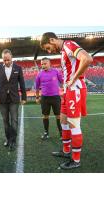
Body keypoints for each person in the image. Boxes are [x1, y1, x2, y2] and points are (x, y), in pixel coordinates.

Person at [40, 32, 93, 169]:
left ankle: (76, 160)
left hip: (75, 89)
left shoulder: (69, 45)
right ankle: (66, 151)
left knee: (74, 124)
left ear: (52, 40)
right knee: (63, 120)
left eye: (48, 47)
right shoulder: (64, 50)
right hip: (67, 91)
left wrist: (74, 79)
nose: (49, 51)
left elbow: (87, 59)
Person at [0, 49, 26, 151]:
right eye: (4, 60)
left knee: (14, 120)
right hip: (2, 99)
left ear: (11, 58)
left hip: (14, 98)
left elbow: (22, 83)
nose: (6, 62)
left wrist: (24, 97)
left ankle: (13, 141)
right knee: (5, 121)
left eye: (8, 60)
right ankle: (8, 139)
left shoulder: (18, 68)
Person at [35, 57, 63, 140]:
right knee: (45, 116)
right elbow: (37, 88)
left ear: (49, 63)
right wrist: (37, 97)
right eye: (42, 64)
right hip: (45, 98)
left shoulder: (56, 71)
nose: (43, 65)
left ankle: (61, 133)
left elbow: (62, 82)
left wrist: (65, 91)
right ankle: (46, 133)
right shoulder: (39, 74)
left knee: (58, 116)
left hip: (55, 97)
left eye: (45, 63)